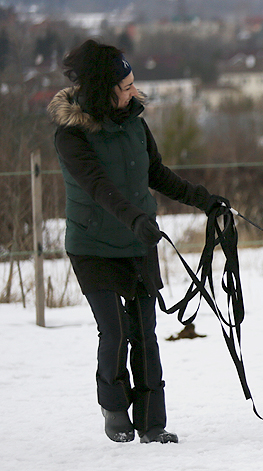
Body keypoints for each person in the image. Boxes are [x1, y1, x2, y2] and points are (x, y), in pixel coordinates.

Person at [48, 39, 228, 444]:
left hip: (138, 239)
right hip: (93, 246)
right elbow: (98, 187)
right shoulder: (71, 136)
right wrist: (136, 219)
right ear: (102, 89)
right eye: (125, 86)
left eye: (132, 83)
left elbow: (157, 173)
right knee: (113, 331)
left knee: (145, 333)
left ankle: (152, 425)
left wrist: (204, 200)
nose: (134, 91)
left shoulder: (134, 121)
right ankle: (114, 406)